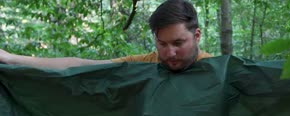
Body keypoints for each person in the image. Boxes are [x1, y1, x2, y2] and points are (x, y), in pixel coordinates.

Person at [0, 0, 211, 72]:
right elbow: (81, 65)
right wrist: (10, 58)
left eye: (178, 43)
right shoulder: (148, 64)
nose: (170, 52)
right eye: (162, 43)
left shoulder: (218, 71)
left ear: (197, 35)